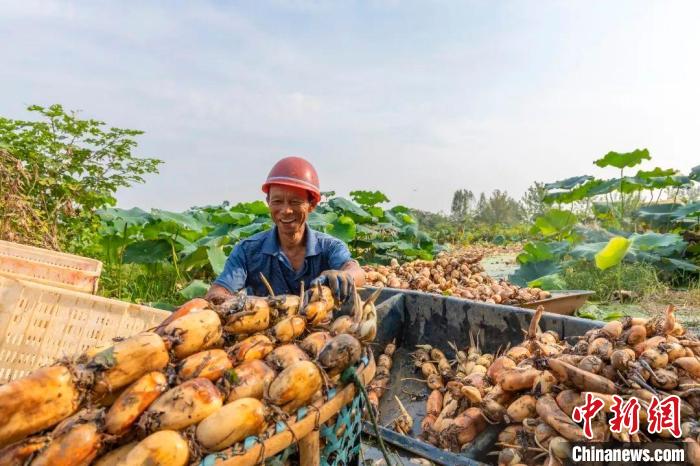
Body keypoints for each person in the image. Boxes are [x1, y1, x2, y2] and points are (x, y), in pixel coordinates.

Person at [205, 156, 365, 305]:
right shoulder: (247, 251)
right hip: (262, 330)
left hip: (321, 331)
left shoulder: (330, 247)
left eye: (295, 202)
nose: (286, 210)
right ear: (268, 202)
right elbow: (217, 293)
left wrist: (344, 276)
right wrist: (246, 304)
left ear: (312, 204)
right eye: (277, 201)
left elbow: (356, 271)